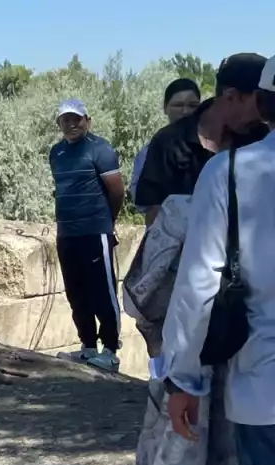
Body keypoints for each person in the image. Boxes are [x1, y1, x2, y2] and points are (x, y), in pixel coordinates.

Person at [162, 55, 275, 465]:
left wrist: (183, 377)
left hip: (264, 395)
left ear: (262, 103)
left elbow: (200, 283)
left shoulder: (230, 174)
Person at [134, 53, 271, 226]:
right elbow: (156, 219)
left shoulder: (262, 139)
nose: (264, 113)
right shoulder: (169, 142)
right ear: (231, 96)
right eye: (261, 102)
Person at [49, 99, 124, 372]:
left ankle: (111, 350)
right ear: (59, 124)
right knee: (76, 292)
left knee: (103, 292)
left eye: (76, 119)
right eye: (65, 120)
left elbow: (117, 191)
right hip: (67, 233)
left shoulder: (100, 149)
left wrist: (107, 220)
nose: (71, 124)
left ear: (87, 120)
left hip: (94, 232)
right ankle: (88, 347)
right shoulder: (56, 153)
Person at [129, 78, 201, 210]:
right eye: (178, 105)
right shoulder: (151, 150)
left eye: (193, 106)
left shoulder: (213, 146)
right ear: (165, 108)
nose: (185, 111)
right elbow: (145, 203)